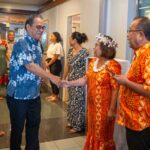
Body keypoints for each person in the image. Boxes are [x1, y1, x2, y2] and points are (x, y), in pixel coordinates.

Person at [7, 14, 60, 150]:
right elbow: (30, 65)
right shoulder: (21, 44)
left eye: (43, 27)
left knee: (33, 128)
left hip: (34, 95)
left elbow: (39, 62)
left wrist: (42, 71)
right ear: (28, 27)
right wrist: (52, 77)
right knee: (17, 130)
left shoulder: (37, 44)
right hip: (18, 96)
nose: (41, 30)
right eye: (38, 27)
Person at [62, 33, 121, 149]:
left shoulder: (113, 65)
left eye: (96, 45)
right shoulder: (93, 63)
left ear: (104, 48)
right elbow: (85, 80)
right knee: (92, 132)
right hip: (92, 106)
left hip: (105, 108)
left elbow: (115, 89)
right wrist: (68, 83)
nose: (94, 48)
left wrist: (112, 109)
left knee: (102, 135)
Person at [114, 16, 150, 150]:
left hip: (142, 124)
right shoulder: (139, 53)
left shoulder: (148, 54)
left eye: (130, 31)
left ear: (141, 34)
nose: (127, 35)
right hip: (134, 121)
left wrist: (125, 82)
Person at [63, 31, 89, 133]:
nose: (69, 40)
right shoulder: (70, 51)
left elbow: (87, 69)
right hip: (70, 81)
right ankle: (71, 121)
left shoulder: (84, 53)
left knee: (78, 103)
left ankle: (78, 126)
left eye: (70, 38)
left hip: (79, 82)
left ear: (74, 40)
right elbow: (67, 65)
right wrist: (64, 79)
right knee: (71, 102)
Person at [45, 32, 63, 101]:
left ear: (56, 37)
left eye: (52, 36)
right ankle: (53, 94)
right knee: (51, 79)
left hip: (55, 64)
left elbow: (56, 56)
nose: (50, 37)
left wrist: (48, 64)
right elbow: (48, 54)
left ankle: (56, 96)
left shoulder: (58, 45)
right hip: (49, 62)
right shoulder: (51, 45)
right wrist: (46, 62)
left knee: (55, 80)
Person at [0, 32, 8, 99]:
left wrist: (10, 60)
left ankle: (7, 93)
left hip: (3, 62)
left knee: (5, 77)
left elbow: (6, 53)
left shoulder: (4, 42)